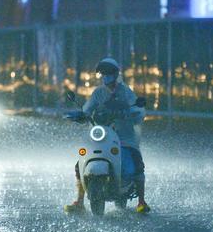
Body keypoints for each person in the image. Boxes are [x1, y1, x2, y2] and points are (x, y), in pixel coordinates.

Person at [64, 57, 151, 214]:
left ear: (116, 74)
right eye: (103, 73)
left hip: (124, 138)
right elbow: (87, 109)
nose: (105, 76)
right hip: (102, 137)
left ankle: (141, 201)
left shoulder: (126, 93)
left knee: (136, 162)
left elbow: (139, 112)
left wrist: (129, 113)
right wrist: (80, 115)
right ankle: (79, 201)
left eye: (108, 73)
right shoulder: (98, 93)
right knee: (79, 163)